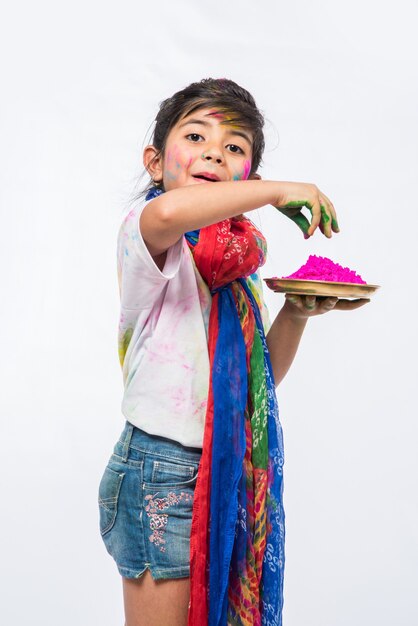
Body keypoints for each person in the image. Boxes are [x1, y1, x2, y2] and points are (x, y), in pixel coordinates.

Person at [97, 77, 369, 626]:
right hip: (160, 471)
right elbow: (174, 215)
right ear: (154, 162)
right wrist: (275, 192)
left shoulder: (237, 272)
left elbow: (257, 381)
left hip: (222, 464)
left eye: (234, 147)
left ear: (247, 173)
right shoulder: (148, 234)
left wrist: (295, 312)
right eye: (195, 136)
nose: (214, 152)